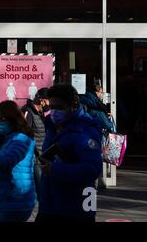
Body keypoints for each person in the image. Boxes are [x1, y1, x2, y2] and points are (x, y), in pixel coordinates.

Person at [36, 84, 102, 222]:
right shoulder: (52, 127)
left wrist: (55, 169)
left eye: (59, 107)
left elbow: (93, 169)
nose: (54, 112)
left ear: (73, 105)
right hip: (49, 205)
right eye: (51, 107)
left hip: (75, 208)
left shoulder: (85, 129)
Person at [22, 88, 50, 155]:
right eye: (50, 102)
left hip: (42, 157)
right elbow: (23, 136)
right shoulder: (27, 112)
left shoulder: (41, 113)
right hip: (33, 159)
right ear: (42, 101)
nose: (50, 106)